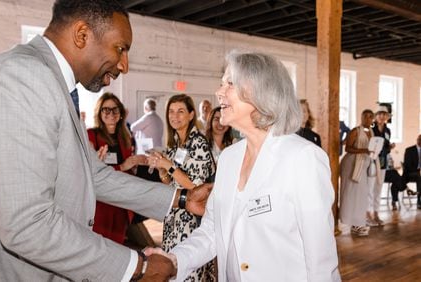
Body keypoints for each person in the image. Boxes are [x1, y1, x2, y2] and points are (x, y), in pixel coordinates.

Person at [0, 1, 212, 281]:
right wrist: (135, 268)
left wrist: (182, 198)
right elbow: (27, 224)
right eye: (120, 48)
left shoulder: (48, 81)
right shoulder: (21, 77)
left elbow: (91, 174)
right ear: (82, 34)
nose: (124, 65)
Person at [146, 52, 340, 281]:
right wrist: (175, 260)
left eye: (230, 83)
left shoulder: (302, 158)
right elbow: (212, 230)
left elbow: (320, 261)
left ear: (261, 91)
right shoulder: (229, 158)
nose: (219, 92)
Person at [147, 94, 216, 281]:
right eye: (171, 111)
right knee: (174, 269)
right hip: (174, 216)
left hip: (192, 219)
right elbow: (171, 182)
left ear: (192, 115)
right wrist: (161, 169)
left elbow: (196, 187)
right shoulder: (176, 143)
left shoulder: (199, 143)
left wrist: (168, 165)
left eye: (180, 111)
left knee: (189, 272)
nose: (174, 116)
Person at [87, 92, 147, 244]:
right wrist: (123, 165)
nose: (111, 114)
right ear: (99, 113)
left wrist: (135, 166)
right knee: (98, 245)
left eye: (115, 110)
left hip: (121, 202)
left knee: (117, 244)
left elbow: (129, 169)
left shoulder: (126, 137)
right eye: (106, 109)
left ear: (121, 113)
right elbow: (90, 171)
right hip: (101, 204)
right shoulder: (90, 135)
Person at [340, 109, 375, 236]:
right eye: (365, 116)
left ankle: (358, 222)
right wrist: (364, 150)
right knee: (350, 192)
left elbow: (371, 150)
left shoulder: (371, 132)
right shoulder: (355, 131)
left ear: (373, 120)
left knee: (361, 194)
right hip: (351, 164)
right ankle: (346, 221)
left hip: (363, 165)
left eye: (370, 117)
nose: (368, 119)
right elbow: (347, 148)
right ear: (361, 117)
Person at [368, 105, 394, 225]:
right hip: (372, 161)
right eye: (380, 114)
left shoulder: (388, 131)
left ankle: (376, 213)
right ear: (376, 116)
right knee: (370, 188)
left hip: (383, 162)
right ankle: (368, 214)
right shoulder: (370, 129)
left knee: (378, 187)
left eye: (384, 114)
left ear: (387, 117)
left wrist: (390, 147)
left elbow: (386, 147)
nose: (382, 116)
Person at [402, 134, 421, 209]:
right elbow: (408, 165)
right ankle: (419, 200)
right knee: (418, 177)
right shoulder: (409, 150)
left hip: (417, 174)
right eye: (419, 139)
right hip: (409, 174)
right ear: (417, 140)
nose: (419, 141)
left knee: (418, 176)